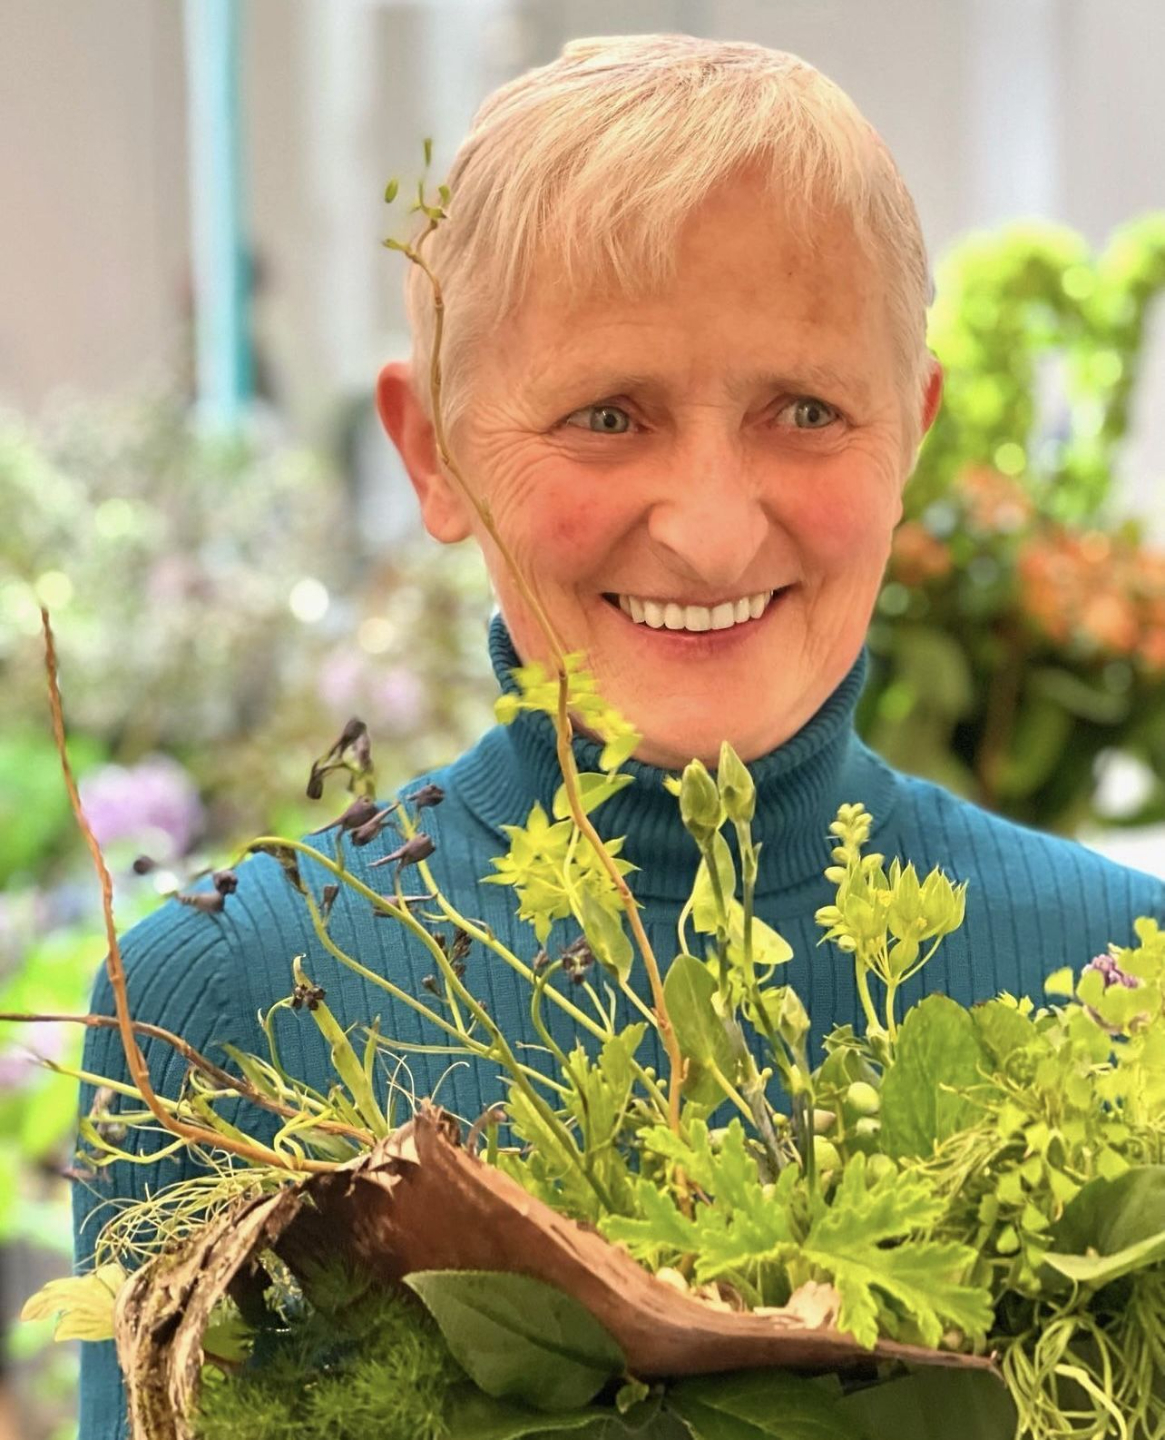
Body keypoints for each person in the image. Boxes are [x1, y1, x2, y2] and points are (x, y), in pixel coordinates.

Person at [73, 34, 1165, 1438]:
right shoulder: (214, 1007)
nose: (708, 528)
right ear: (433, 452)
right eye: (605, 417)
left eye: (806, 410)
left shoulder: (1131, 984)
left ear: (913, 430)